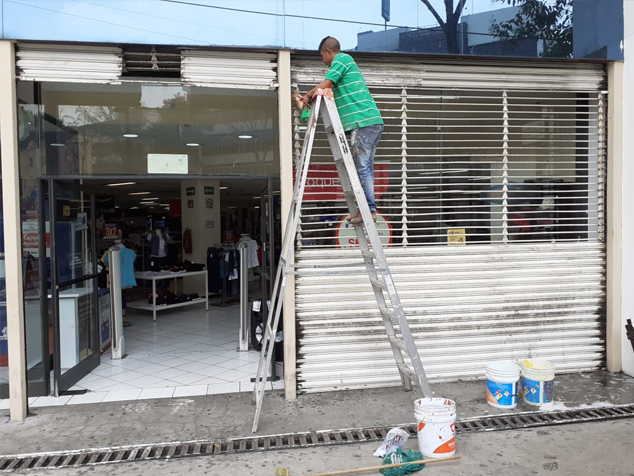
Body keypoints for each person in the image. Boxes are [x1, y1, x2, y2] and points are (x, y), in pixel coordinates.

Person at [299, 36, 384, 224]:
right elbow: (327, 89)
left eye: (322, 56)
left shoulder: (342, 59)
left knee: (362, 167)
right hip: (369, 122)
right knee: (366, 168)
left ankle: (368, 211)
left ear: (329, 51)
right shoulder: (343, 67)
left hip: (363, 122)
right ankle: (368, 210)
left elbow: (325, 85)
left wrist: (307, 95)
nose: (323, 61)